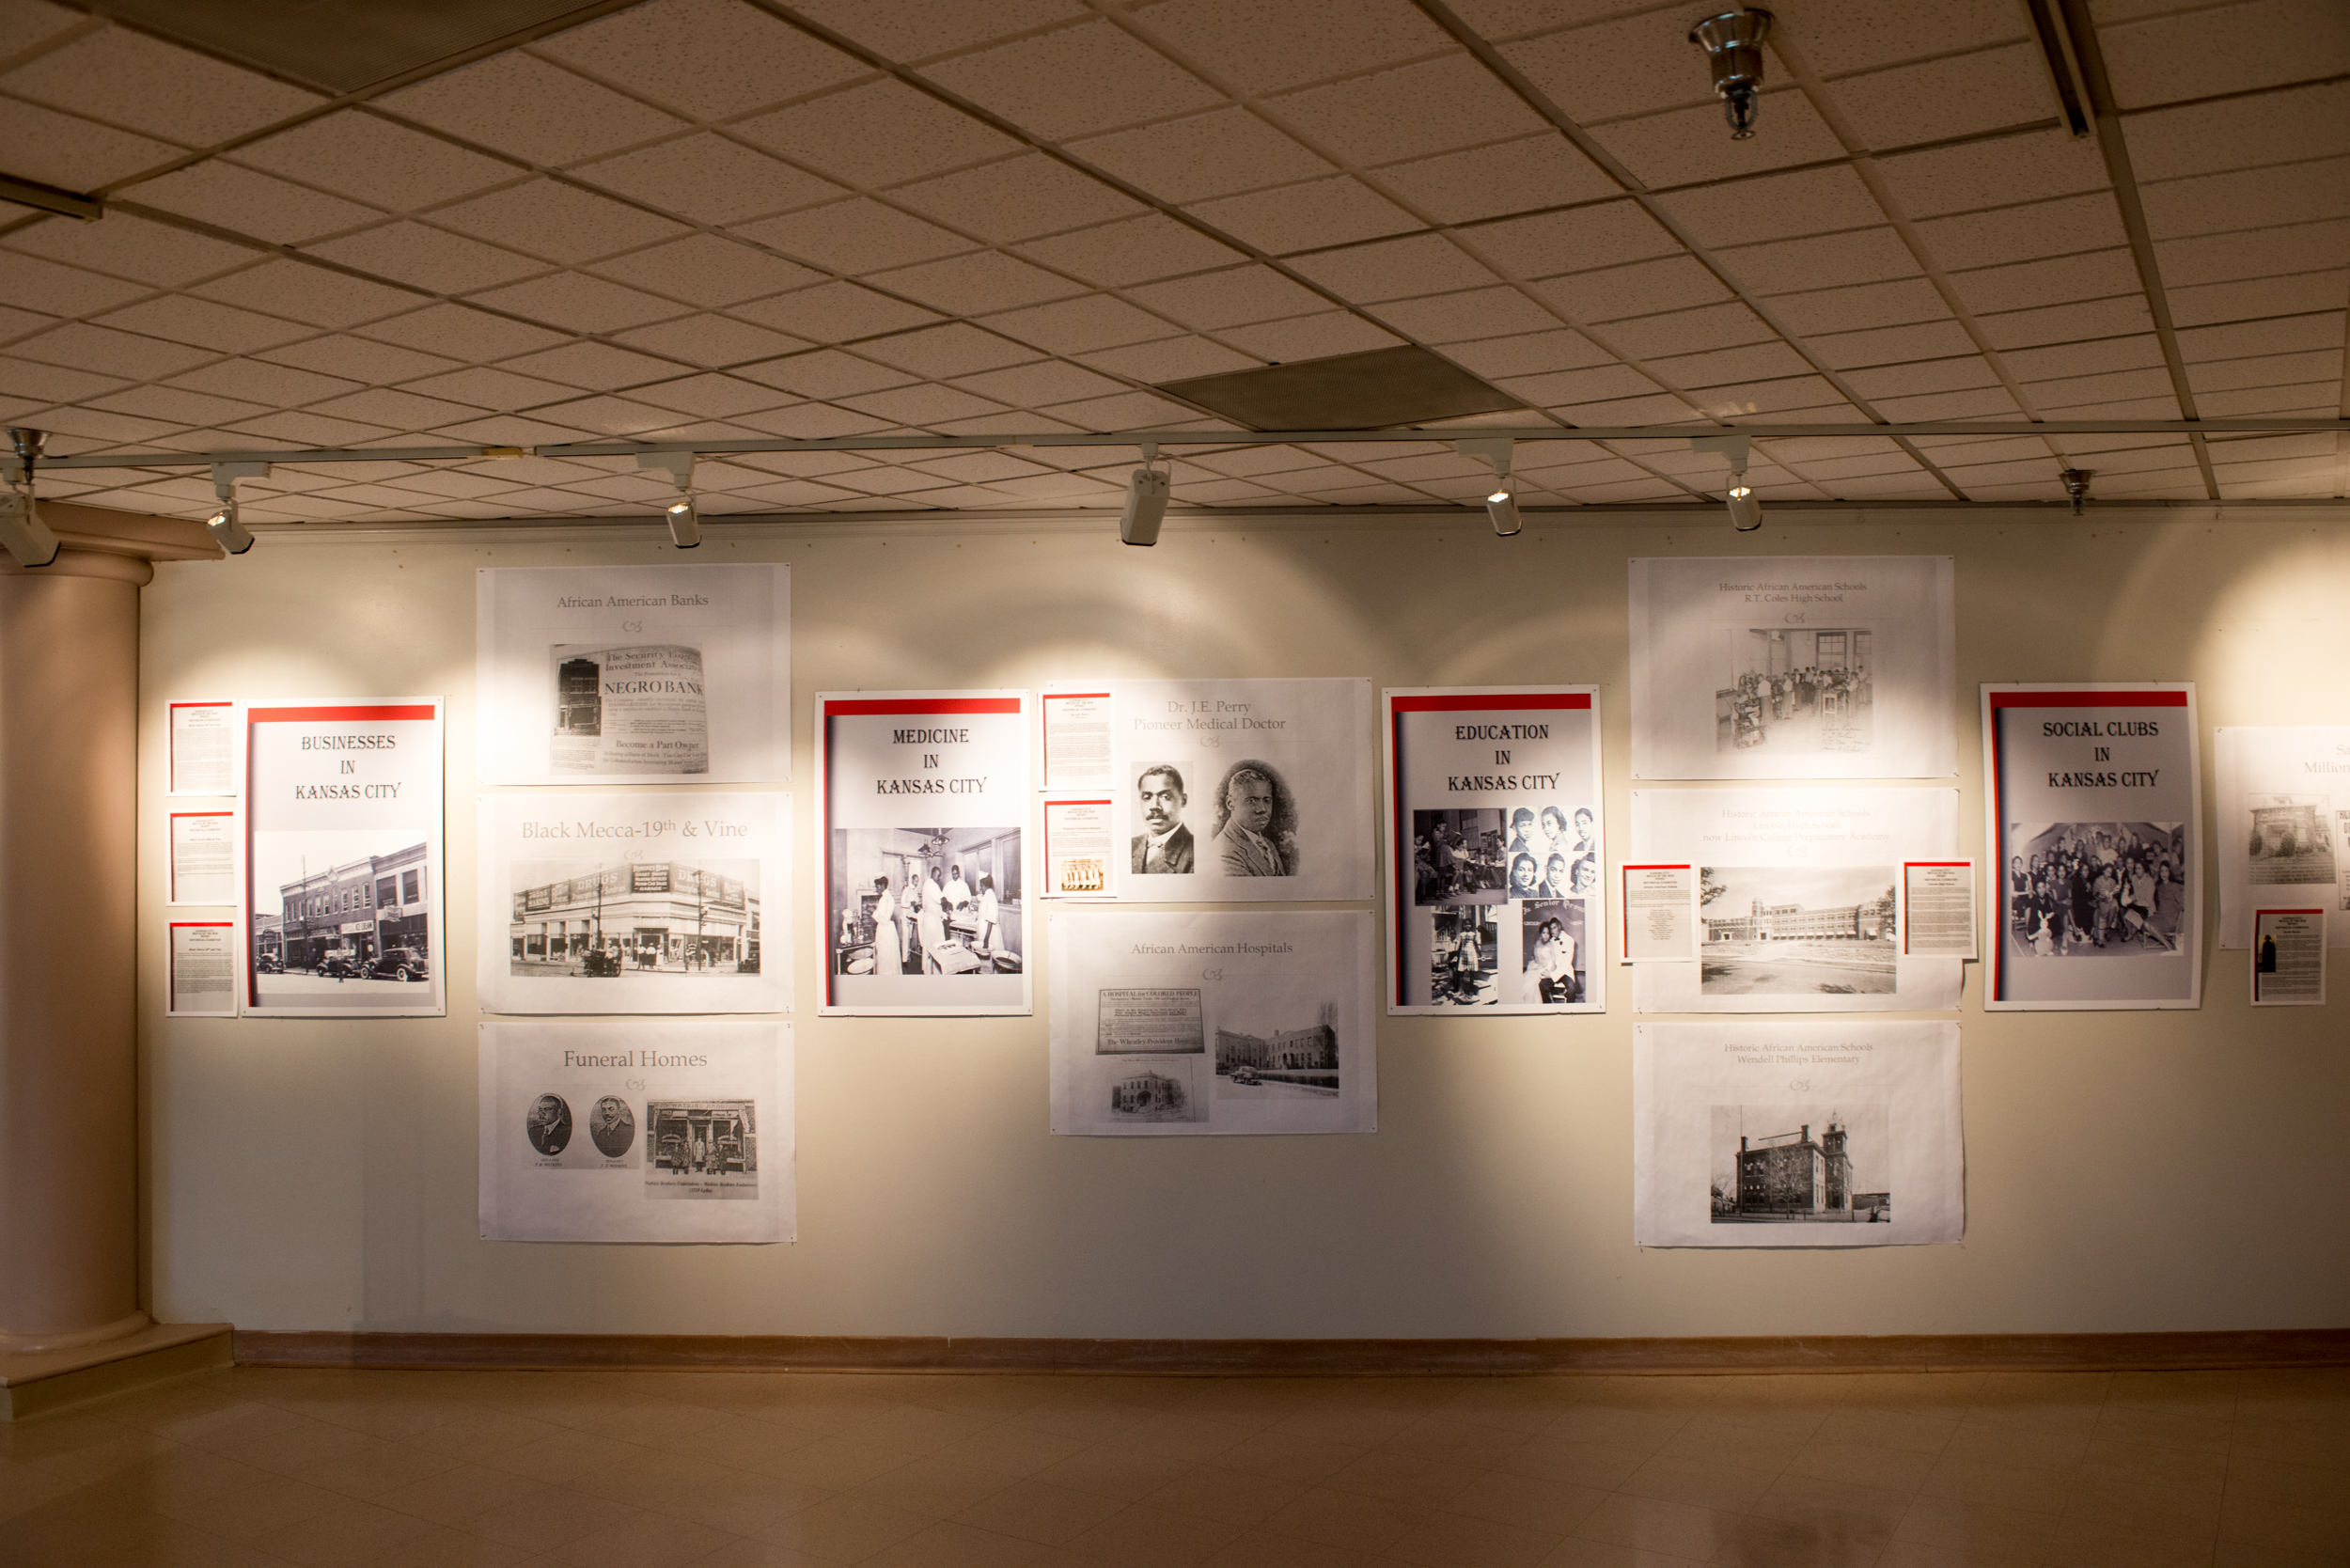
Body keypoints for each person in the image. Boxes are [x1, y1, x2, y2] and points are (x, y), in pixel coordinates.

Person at [1215, 766, 1294, 875]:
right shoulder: (1224, 851)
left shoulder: (1268, 844)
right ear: (1230, 803)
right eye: (1251, 800)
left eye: (1267, 800)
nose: (1262, 809)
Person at [1131, 765, 1194, 873]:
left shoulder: (1195, 853)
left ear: (1183, 801)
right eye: (1147, 798)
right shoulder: (1130, 845)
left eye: (1165, 797)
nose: (1154, 806)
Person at [870, 875, 901, 975]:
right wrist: (876, 909)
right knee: (884, 958)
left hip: (887, 932)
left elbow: (884, 920)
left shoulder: (888, 899)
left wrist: (873, 911)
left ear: (883, 885)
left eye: (877, 887)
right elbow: (882, 913)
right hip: (884, 932)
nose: (876, 889)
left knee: (886, 958)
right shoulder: (884, 898)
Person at [918, 877, 948, 973]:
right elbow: (940, 899)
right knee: (937, 945)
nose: (939, 878)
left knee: (929, 945)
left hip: (929, 919)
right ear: (934, 874)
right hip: (933, 921)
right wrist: (948, 903)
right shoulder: (931, 884)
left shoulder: (927, 883)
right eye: (938, 875)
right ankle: (936, 972)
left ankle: (928, 970)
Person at [976, 873, 999, 955]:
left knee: (989, 957)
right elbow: (985, 911)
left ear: (985, 885)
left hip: (989, 935)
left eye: (981, 886)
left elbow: (991, 920)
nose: (981, 888)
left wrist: (986, 940)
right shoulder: (987, 895)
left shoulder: (991, 896)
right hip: (984, 931)